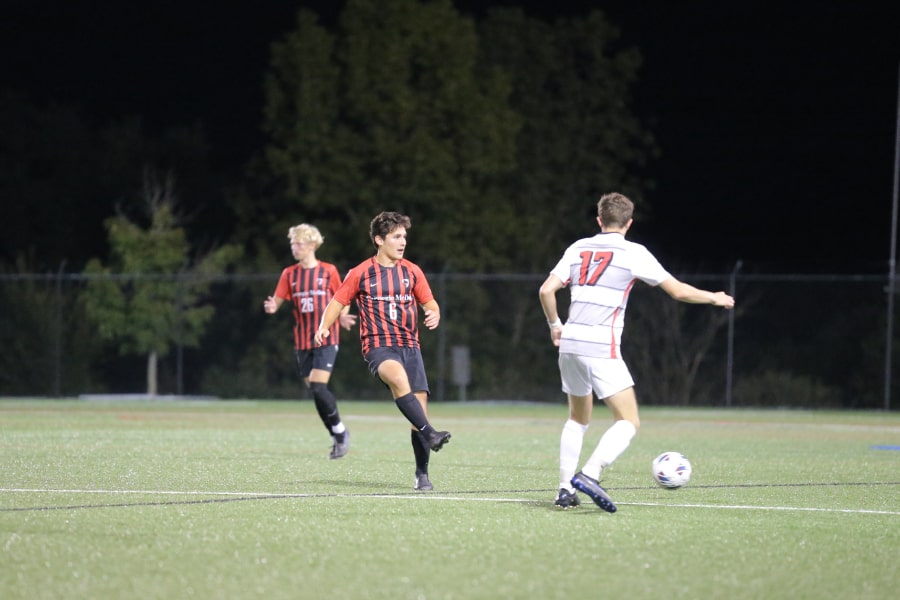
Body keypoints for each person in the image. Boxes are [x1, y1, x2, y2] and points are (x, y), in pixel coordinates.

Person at [539, 192, 735, 512]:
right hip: (601, 345)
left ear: (599, 220)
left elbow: (546, 289)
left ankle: (564, 490)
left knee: (577, 418)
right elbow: (678, 291)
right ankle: (590, 474)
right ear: (629, 223)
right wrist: (714, 298)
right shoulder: (633, 252)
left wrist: (554, 325)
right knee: (628, 420)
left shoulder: (578, 248)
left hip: (571, 343)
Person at [314, 211, 451, 491]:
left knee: (419, 413)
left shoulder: (412, 271)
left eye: (404, 237)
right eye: (396, 237)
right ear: (379, 240)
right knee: (399, 380)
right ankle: (432, 434)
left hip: (411, 347)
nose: (403, 242)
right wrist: (323, 327)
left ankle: (421, 474)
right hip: (378, 346)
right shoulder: (361, 272)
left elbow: (430, 303)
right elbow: (337, 302)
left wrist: (434, 314)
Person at [264, 223, 357, 459]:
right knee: (315, 391)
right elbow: (278, 299)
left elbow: (343, 299)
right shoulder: (289, 274)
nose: (294, 247)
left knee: (317, 385)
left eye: (299, 243)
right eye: (293, 243)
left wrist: (344, 316)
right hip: (302, 340)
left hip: (326, 336)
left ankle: (340, 432)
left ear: (312, 245)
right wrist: (273, 305)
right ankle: (337, 434)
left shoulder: (329, 271)